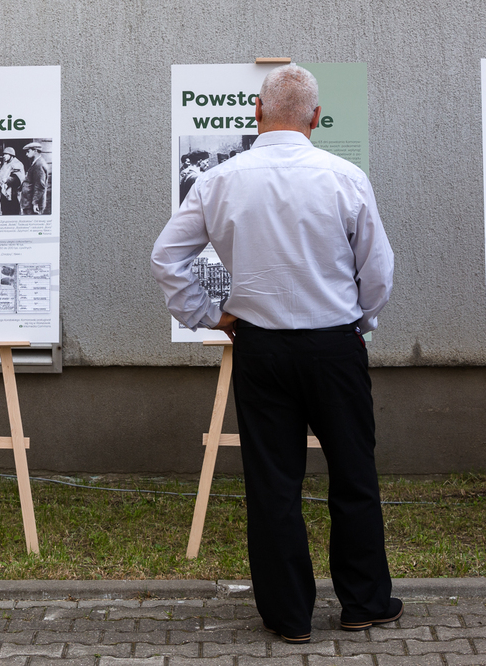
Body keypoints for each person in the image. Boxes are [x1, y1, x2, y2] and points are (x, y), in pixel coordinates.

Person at [151, 64, 398, 643]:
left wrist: (208, 316)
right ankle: (364, 604)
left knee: (274, 483)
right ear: (316, 118)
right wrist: (361, 320)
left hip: (259, 349)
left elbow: (167, 258)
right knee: (354, 475)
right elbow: (378, 269)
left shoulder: (220, 180)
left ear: (256, 114)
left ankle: (289, 618)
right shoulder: (344, 176)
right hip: (335, 346)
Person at [0, 146, 25, 215]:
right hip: (4, 193)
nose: (4, 156)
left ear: (11, 155)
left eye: (6, 154)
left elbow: (18, 178)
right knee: (5, 210)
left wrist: (8, 179)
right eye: (3, 154)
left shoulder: (17, 164)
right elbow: (2, 173)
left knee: (13, 211)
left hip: (13, 194)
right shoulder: (6, 163)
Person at [21, 142, 49, 215]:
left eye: (28, 151)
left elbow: (39, 186)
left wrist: (35, 203)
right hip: (29, 203)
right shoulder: (36, 163)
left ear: (35, 151)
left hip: (32, 205)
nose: (26, 154)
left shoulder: (38, 165)